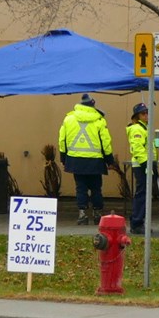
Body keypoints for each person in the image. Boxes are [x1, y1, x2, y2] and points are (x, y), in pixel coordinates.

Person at [58, 94, 112, 225]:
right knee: (96, 188)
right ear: (93, 106)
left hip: (76, 160)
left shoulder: (69, 119)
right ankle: (97, 214)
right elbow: (106, 142)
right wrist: (109, 159)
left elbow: (62, 140)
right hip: (95, 161)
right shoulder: (99, 120)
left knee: (80, 188)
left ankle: (82, 215)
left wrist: (63, 157)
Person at [126, 103, 151, 235]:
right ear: (137, 116)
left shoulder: (145, 128)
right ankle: (136, 222)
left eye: (147, 112)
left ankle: (139, 221)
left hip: (146, 164)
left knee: (144, 194)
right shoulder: (137, 129)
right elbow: (137, 148)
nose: (146, 115)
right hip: (142, 165)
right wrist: (146, 163)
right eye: (143, 113)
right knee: (141, 194)